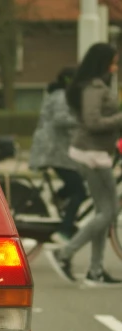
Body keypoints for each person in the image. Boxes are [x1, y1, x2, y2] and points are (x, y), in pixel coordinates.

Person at [45, 43, 122, 286]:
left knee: (104, 212)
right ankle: (65, 252)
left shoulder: (96, 86)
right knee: (108, 211)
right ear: (102, 62)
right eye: (113, 61)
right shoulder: (93, 88)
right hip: (92, 154)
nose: (116, 65)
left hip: (97, 152)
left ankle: (96, 270)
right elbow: (92, 122)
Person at [29, 66, 86, 243]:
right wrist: (84, 121)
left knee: (78, 180)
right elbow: (60, 119)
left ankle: (59, 197)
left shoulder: (56, 94)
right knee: (79, 190)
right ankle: (64, 231)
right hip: (53, 151)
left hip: (54, 150)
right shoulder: (62, 96)